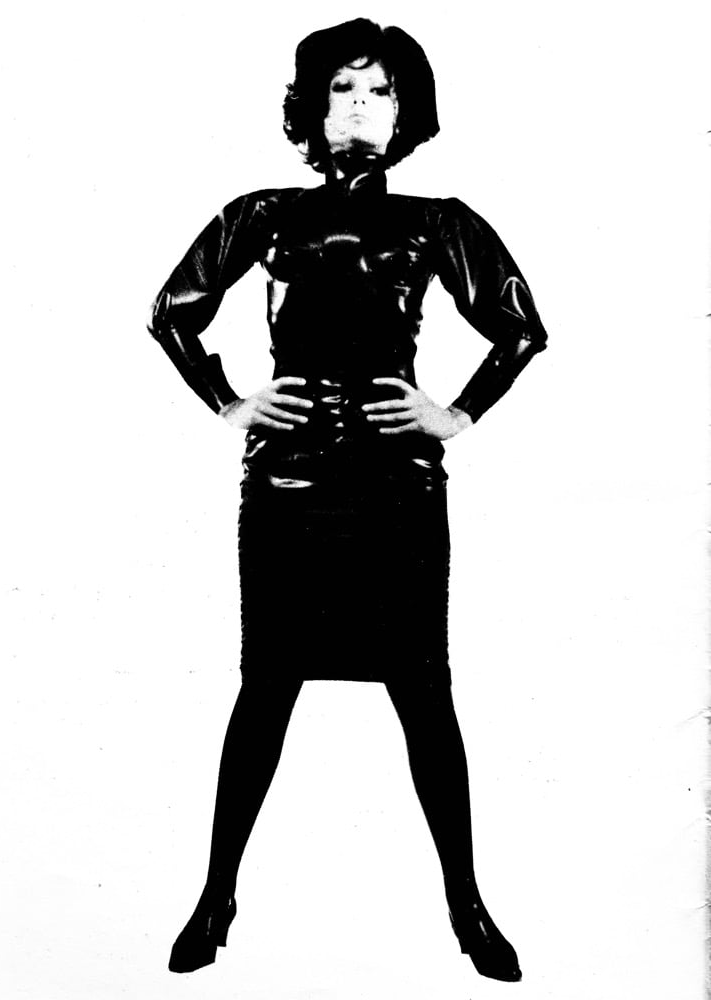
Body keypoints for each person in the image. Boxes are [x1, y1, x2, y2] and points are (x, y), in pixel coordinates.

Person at [148, 17, 547, 984]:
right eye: (342, 89)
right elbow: (171, 313)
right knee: (266, 688)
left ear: (406, 112)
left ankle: (467, 907)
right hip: (287, 484)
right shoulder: (262, 214)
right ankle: (215, 898)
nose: (360, 106)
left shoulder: (438, 221)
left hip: (398, 488)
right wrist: (229, 399)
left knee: (425, 694)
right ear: (312, 108)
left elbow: (521, 329)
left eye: (379, 91)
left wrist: (455, 413)